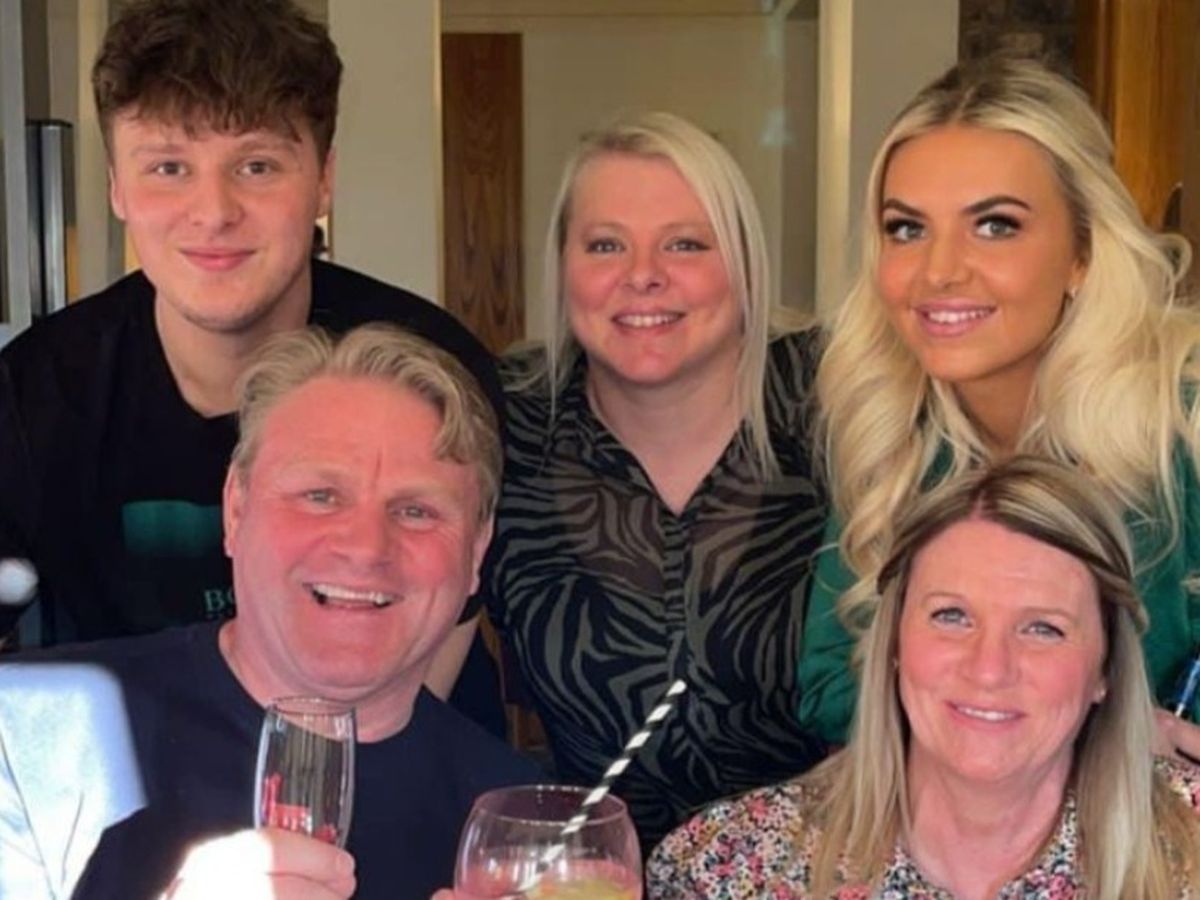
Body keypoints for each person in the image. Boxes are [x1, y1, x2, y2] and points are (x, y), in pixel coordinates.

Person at [0, 0, 500, 727]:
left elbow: (412, 694)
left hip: (391, 762)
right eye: (169, 167)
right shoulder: (34, 393)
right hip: (124, 775)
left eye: (257, 165)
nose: (213, 211)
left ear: (323, 179)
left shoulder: (434, 375)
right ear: (117, 187)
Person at [0, 324, 541, 900]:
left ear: (476, 550)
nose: (365, 547)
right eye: (320, 496)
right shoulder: (26, 730)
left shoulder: (517, 825)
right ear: (236, 511)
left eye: (416, 511)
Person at [798, 57, 1200, 754]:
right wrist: (1078, 740)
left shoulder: (1184, 425)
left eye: (994, 226)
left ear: (1082, 252)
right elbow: (831, 687)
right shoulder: (892, 429)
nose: (939, 271)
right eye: (906, 229)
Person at [479, 111, 829, 850]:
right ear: (563, 267)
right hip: (594, 873)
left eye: (685, 244)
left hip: (831, 868)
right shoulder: (506, 420)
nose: (642, 274)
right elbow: (415, 671)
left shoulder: (841, 402)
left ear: (744, 263)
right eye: (606, 244)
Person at [651, 456, 1200, 898]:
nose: (989, 668)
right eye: (951, 616)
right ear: (893, 642)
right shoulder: (725, 870)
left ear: (1106, 668)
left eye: (1042, 628)